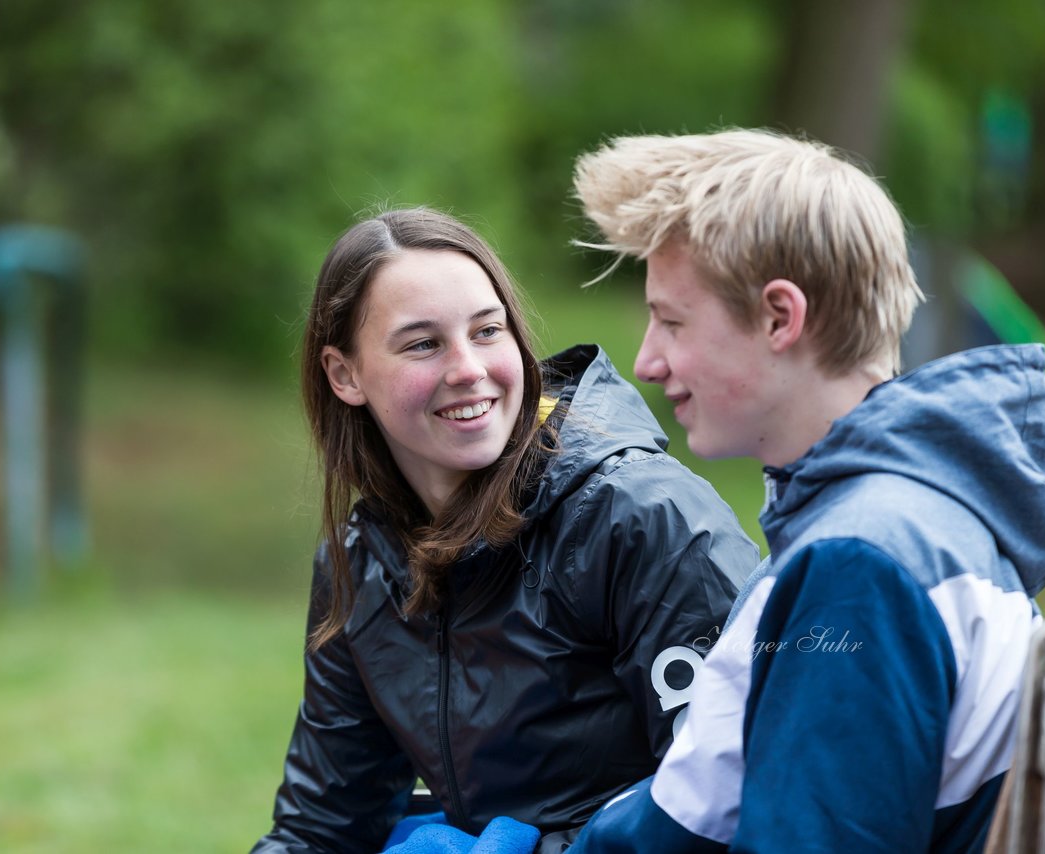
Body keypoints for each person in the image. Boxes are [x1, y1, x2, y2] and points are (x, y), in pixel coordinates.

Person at [566, 129, 1045, 853]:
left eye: (671, 320)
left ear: (781, 316)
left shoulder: (861, 566)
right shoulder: (916, 521)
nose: (647, 361)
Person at [252, 207, 758, 852]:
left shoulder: (639, 516)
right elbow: (323, 826)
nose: (469, 368)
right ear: (344, 375)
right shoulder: (361, 561)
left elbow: (733, 800)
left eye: (488, 331)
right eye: (423, 343)